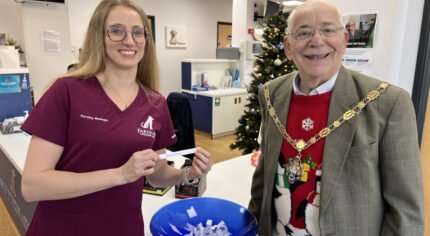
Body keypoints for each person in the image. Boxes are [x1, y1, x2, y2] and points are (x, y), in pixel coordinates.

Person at [20, 0, 213, 235]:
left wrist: (187, 173)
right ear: (98, 37)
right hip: (64, 227)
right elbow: (33, 186)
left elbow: (157, 175)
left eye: (137, 32)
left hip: (124, 226)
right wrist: (120, 175)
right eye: (117, 30)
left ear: (146, 41)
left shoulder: (156, 103)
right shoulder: (66, 91)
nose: (129, 41)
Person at [248, 0, 424, 235]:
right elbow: (263, 174)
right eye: (304, 32)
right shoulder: (270, 93)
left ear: (344, 41)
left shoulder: (388, 102)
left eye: (328, 30)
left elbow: (405, 211)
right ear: (288, 47)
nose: (317, 40)